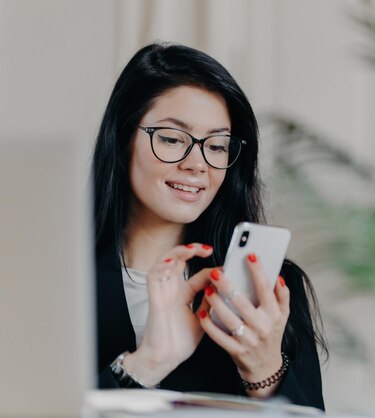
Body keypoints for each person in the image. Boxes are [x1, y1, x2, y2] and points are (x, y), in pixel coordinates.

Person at [92, 42, 326, 410]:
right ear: (123, 139)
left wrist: (264, 373)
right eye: (171, 139)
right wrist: (144, 365)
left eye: (217, 146)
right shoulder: (58, 284)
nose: (198, 164)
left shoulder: (267, 292)